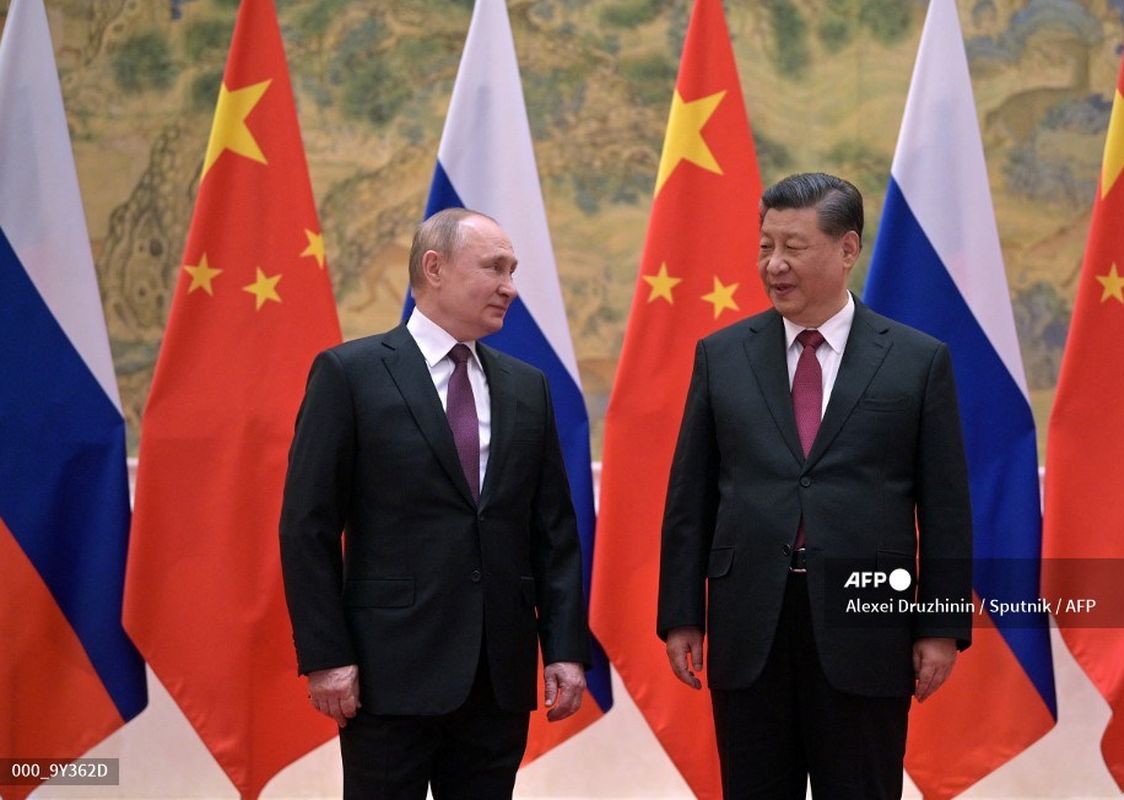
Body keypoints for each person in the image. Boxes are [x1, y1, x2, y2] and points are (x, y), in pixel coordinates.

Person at [657, 173, 973, 799]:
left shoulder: (916, 359)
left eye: (793, 248)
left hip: (868, 623)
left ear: (847, 249)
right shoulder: (722, 355)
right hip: (750, 623)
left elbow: (946, 507)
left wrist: (939, 624)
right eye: (765, 245)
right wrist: (681, 614)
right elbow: (689, 497)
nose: (773, 264)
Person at [280, 207, 589, 799]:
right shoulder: (350, 374)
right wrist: (326, 656)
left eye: (513, 270)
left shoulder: (528, 386)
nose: (510, 287)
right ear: (435, 267)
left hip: (496, 673)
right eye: (495, 268)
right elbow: (306, 528)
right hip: (386, 671)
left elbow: (554, 532)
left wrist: (565, 648)